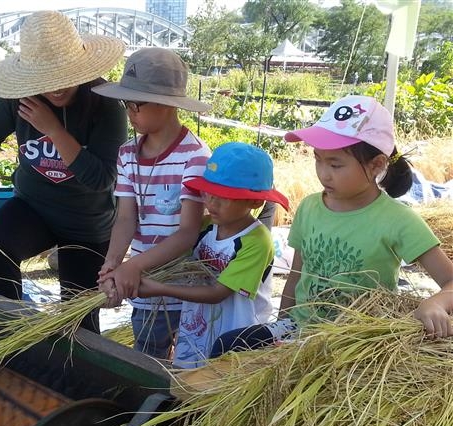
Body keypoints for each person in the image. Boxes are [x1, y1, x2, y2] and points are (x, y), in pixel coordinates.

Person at [212, 95, 453, 356]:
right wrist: (281, 323)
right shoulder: (310, 207)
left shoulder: (398, 220)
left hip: (356, 342)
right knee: (228, 346)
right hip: (300, 329)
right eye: (318, 159)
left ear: (376, 165)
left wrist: (435, 302)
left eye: (335, 164)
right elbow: (296, 275)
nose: (323, 173)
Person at [0, 11, 127, 333]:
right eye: (46, 80)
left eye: (63, 77)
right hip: (34, 206)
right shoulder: (18, 96)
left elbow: (102, 179)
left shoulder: (106, 106)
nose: (56, 88)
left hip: (86, 221)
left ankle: (72, 379)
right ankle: (7, 339)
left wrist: (53, 129)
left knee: (79, 321)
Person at [92, 47, 212, 359]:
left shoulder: (195, 156)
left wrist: (134, 266)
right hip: (141, 288)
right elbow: (125, 219)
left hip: (181, 290)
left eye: (137, 104)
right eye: (126, 104)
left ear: (167, 105)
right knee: (147, 360)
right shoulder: (127, 154)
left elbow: (187, 233)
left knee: (186, 368)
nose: (130, 112)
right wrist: (113, 264)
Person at [137, 142, 290, 368]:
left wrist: (158, 288)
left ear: (256, 201)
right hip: (196, 331)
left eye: (224, 197)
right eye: (208, 193)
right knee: (185, 384)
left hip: (233, 339)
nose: (211, 202)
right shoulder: (204, 227)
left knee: (217, 389)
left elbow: (218, 293)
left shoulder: (256, 241)